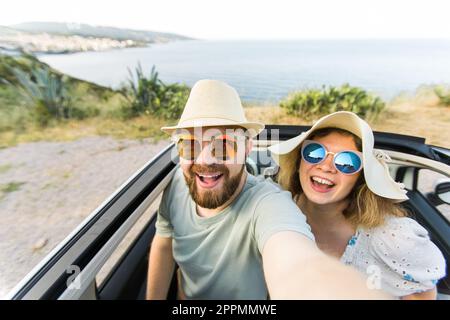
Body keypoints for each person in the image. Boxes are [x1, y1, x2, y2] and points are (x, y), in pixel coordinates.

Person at [146, 80, 389, 300]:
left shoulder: (268, 204)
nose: (205, 160)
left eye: (223, 146)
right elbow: (164, 243)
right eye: (189, 145)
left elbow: (298, 263)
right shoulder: (178, 183)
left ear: (247, 148)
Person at [269, 111, 446, 299]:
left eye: (347, 162)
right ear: (299, 162)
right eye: (314, 152)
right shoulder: (274, 210)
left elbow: (423, 294)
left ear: (361, 177)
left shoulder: (392, 237)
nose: (326, 166)